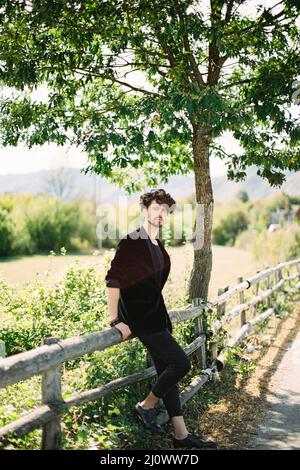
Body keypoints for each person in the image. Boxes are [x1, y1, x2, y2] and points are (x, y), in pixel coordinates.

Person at [105, 188, 216, 449]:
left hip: (157, 319)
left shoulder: (158, 245)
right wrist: (115, 320)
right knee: (180, 364)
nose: (161, 214)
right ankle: (146, 405)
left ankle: (181, 436)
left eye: (166, 210)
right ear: (145, 211)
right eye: (156, 208)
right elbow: (113, 281)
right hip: (141, 320)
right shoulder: (132, 241)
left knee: (168, 373)